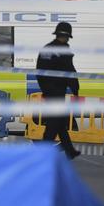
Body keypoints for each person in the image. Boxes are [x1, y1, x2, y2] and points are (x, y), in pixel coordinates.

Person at [36, 21, 82, 159]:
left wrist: (45, 89)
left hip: (50, 91)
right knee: (54, 122)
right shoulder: (63, 50)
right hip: (57, 91)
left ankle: (69, 150)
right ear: (67, 36)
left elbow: (39, 72)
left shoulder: (47, 48)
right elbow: (70, 71)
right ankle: (43, 151)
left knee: (60, 121)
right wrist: (76, 89)